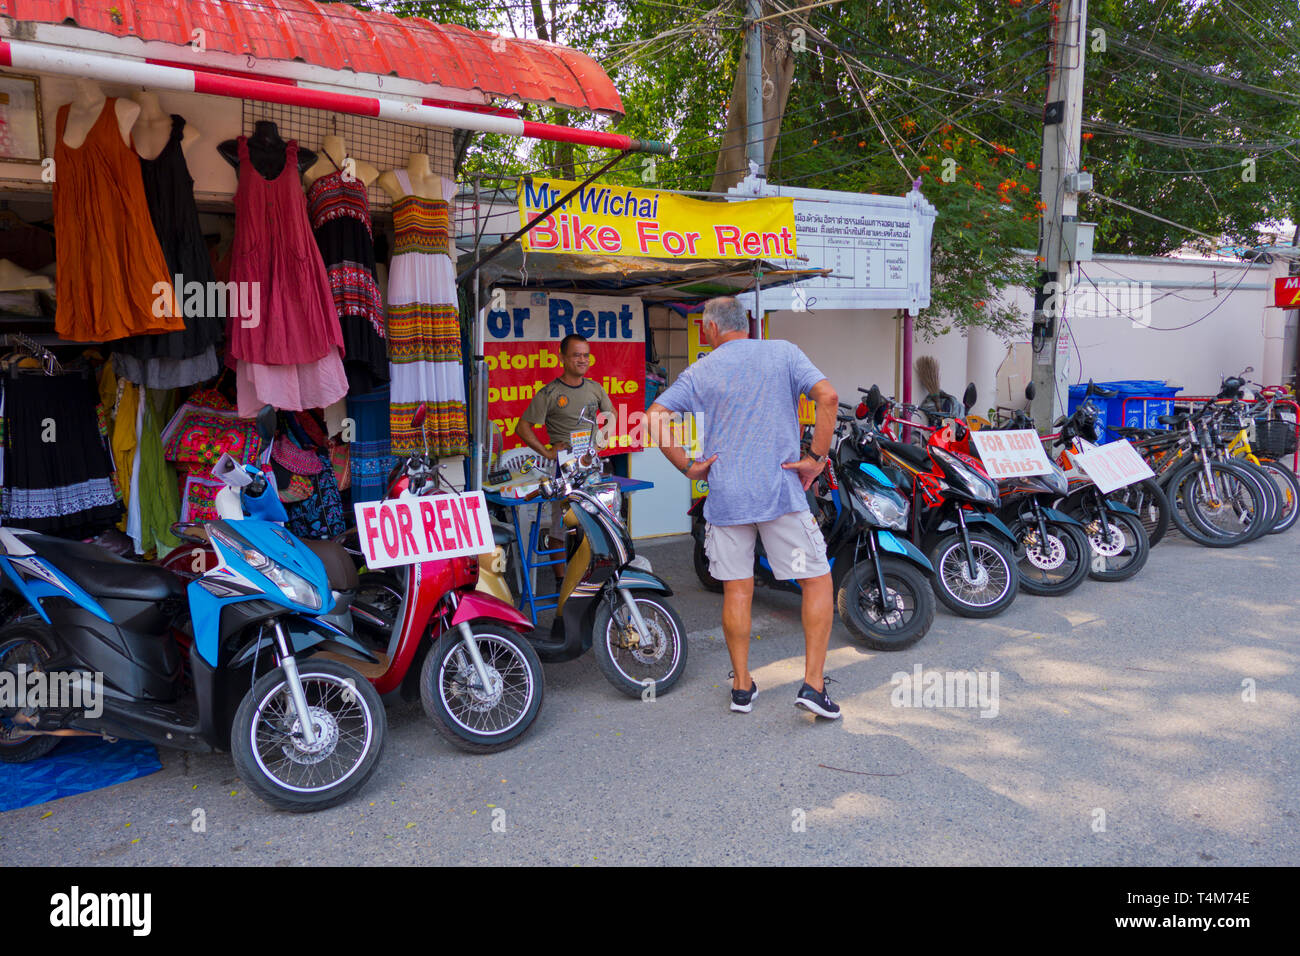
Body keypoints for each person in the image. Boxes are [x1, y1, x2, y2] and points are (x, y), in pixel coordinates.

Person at [648, 297, 841, 719]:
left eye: (703, 326)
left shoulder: (702, 370)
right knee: (815, 579)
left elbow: (655, 415)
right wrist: (817, 458)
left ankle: (741, 687)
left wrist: (687, 466)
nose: (703, 332)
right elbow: (828, 396)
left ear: (713, 329)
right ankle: (813, 684)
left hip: (728, 498)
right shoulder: (784, 353)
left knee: (738, 589)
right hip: (779, 497)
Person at [516, 334, 616, 551]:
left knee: (595, 519)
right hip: (564, 466)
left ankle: (588, 574)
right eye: (576, 355)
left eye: (586, 355)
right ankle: (562, 581)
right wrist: (548, 453)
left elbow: (611, 415)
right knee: (562, 525)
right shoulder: (550, 393)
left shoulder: (595, 388)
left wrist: (601, 442)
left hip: (591, 464)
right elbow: (522, 427)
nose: (582, 360)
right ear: (561, 357)